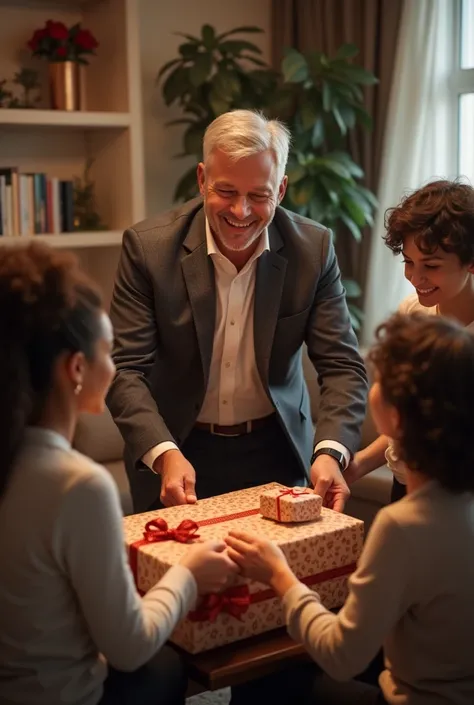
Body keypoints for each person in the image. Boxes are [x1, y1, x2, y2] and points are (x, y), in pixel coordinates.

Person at [0, 243, 237, 705]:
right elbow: (129, 648)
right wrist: (189, 574)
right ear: (76, 369)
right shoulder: (79, 485)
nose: (116, 369)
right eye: (110, 352)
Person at [107, 109, 367, 514]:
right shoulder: (148, 250)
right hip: (176, 452)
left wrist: (331, 452)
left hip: (276, 452)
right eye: (226, 192)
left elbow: (342, 366)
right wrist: (163, 453)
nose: (241, 211)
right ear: (201, 179)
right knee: (177, 576)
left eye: (258, 196)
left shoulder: (312, 250)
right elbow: (126, 369)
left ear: (280, 190)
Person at [226, 312, 474, 705]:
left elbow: (341, 657)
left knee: (274, 675)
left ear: (396, 414)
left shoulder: (402, 526)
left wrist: (279, 575)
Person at [345, 179, 474, 501]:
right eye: (408, 262)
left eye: (431, 265)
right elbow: (406, 425)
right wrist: (358, 464)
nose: (415, 278)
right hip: (406, 486)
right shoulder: (412, 313)